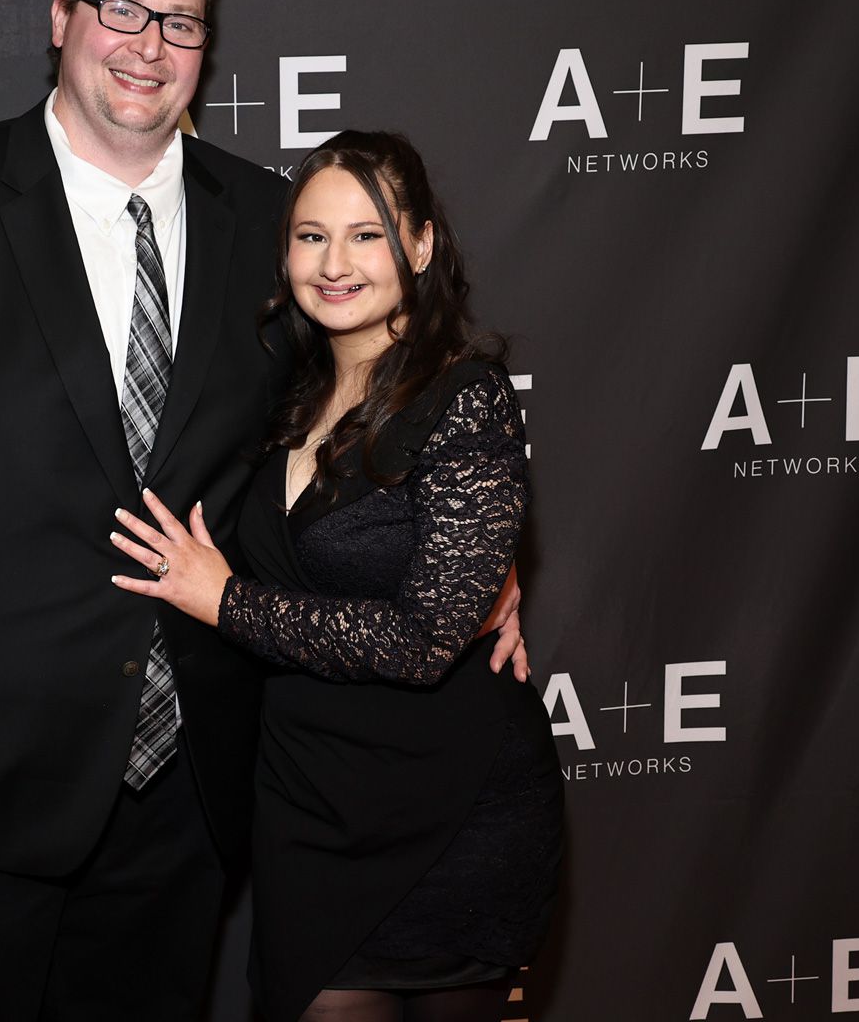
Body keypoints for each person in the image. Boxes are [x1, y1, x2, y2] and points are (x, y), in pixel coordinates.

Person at [0, 0, 528, 1022]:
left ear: (207, 51)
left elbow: (381, 400)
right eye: (121, 9)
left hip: (184, 780)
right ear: (61, 18)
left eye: (181, 23)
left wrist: (479, 565)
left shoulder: (272, 219)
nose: (148, 44)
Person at [110, 131, 562, 1022]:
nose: (335, 263)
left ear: (422, 245)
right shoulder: (280, 392)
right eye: (312, 236)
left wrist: (225, 600)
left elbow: (425, 641)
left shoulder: (463, 395)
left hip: (451, 811)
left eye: (367, 234)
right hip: (307, 806)